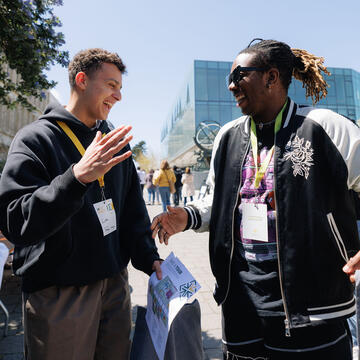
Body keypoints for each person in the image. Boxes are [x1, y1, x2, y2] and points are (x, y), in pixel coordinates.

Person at [151, 39, 360, 359]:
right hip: (241, 308)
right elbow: (215, 200)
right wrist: (187, 216)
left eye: (239, 76)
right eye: (229, 79)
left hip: (313, 310)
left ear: (271, 77)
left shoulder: (325, 128)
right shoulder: (227, 137)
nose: (231, 86)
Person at [0, 48, 162, 360]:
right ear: (81, 80)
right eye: (111, 85)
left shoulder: (113, 141)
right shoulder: (35, 138)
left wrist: (149, 258)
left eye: (120, 88)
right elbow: (14, 219)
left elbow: (132, 212)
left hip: (114, 287)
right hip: (60, 293)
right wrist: (77, 177)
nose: (118, 97)